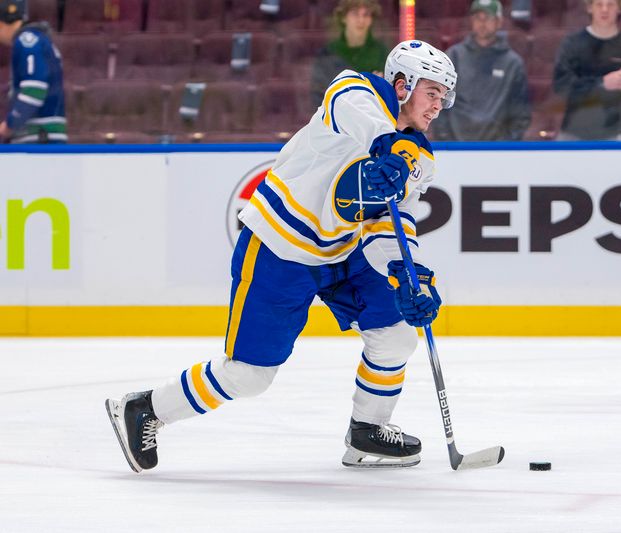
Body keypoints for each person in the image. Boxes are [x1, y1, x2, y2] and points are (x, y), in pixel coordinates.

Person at [105, 40, 458, 472]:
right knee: (248, 376)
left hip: (344, 253)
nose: (439, 105)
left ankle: (367, 430)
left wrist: (407, 275)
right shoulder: (354, 91)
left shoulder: (420, 156)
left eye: (444, 96)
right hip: (280, 246)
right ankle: (146, 409)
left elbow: (389, 221)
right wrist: (385, 144)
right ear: (401, 84)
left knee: (398, 334)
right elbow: (355, 110)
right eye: (432, 92)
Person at [552, 0, 621, 141]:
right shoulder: (572, 45)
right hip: (573, 134)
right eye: (599, 4)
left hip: (614, 137)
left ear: (619, 8)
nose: (605, 9)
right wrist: (601, 84)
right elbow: (561, 86)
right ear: (590, 7)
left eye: (610, 4)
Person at [432, 0, 531, 141]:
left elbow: (520, 114)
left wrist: (506, 147)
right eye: (478, 17)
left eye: (488, 18)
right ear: (472, 21)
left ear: (499, 22)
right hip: (456, 150)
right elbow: (439, 103)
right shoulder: (453, 57)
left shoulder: (512, 63)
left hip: (498, 153)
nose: (482, 23)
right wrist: (448, 143)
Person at [0, 0, 66, 143]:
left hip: (39, 138)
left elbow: (34, 90)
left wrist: (10, 124)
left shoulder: (26, 41)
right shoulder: (40, 40)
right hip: (43, 136)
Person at [309, 0, 389, 109]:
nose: (361, 20)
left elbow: (387, 95)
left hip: (371, 116)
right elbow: (319, 94)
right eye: (355, 14)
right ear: (343, 17)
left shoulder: (382, 53)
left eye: (366, 15)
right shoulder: (328, 53)